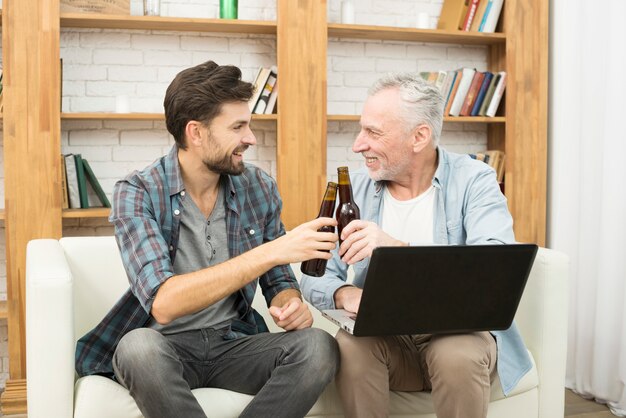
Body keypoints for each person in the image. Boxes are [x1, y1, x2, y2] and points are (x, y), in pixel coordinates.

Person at [74, 61, 340, 418]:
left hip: (234, 343)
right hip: (164, 349)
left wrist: (289, 304)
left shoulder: (257, 187)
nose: (251, 138)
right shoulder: (137, 193)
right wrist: (270, 252)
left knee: (318, 347)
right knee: (137, 348)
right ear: (196, 133)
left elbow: (278, 280)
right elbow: (163, 303)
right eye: (238, 127)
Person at [300, 73, 532, 418]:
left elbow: (493, 271)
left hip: (459, 332)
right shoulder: (356, 192)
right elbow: (314, 274)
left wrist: (394, 247)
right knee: (351, 345)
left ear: (419, 136)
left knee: (456, 354)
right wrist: (346, 294)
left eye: (373, 132)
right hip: (389, 340)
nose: (357, 145)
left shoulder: (474, 181)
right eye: (362, 130)